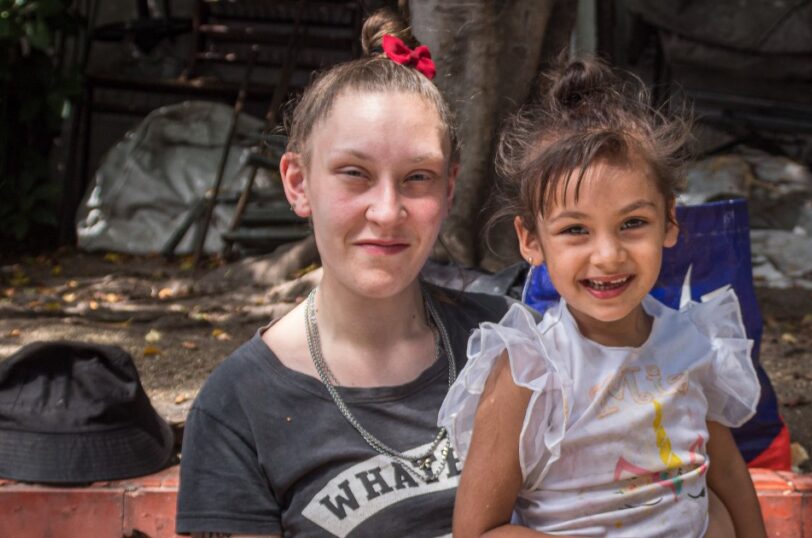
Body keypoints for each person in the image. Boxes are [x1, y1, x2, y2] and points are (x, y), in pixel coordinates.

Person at [176, 10, 511, 537]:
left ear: (449, 189)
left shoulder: (509, 343)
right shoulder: (237, 407)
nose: (386, 210)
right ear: (297, 182)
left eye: (416, 177)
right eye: (355, 174)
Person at [438, 58, 768, 537]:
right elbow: (479, 531)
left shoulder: (691, 339)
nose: (608, 255)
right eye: (575, 230)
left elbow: (725, 469)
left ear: (670, 223)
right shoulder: (530, 371)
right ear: (531, 240)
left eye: (633, 223)